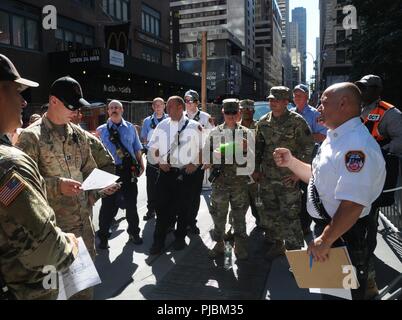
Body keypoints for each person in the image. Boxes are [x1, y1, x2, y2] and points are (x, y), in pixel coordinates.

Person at [273, 82, 386, 300]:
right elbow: (318, 180)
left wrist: (325, 240)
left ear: (343, 103)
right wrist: (292, 162)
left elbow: (352, 204)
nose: (319, 107)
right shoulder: (336, 137)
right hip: (333, 231)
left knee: (342, 296)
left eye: (323, 102)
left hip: (344, 235)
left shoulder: (356, 146)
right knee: (332, 294)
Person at [17, 76, 117, 300]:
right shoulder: (30, 138)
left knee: (83, 295)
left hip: (83, 237)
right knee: (54, 296)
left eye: (77, 106)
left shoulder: (78, 135)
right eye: (71, 106)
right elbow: (21, 191)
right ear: (53, 101)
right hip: (52, 242)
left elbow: (91, 169)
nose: (75, 112)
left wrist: (99, 188)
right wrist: (57, 187)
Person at [0, 54, 78, 300]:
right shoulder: (8, 165)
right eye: (17, 92)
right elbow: (46, 248)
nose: (23, 102)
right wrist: (70, 244)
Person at [252, 86, 314, 260]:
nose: (272, 103)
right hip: (268, 178)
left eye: (276, 100)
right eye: (271, 99)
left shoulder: (297, 121)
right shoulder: (263, 122)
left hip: (288, 178)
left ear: (286, 102)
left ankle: (296, 256)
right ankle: (278, 244)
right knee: (270, 213)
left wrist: (298, 173)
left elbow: (308, 147)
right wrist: (256, 169)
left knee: (291, 216)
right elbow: (258, 148)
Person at [355, 74, 402, 298]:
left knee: (368, 220)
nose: (361, 91)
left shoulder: (389, 113)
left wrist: (379, 152)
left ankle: (367, 269)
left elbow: (400, 141)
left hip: (375, 174)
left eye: (365, 88)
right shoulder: (356, 107)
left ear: (377, 89)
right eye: (360, 87)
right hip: (354, 172)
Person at [147, 96, 203, 255]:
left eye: (170, 107)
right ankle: (158, 241)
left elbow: (203, 149)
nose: (167, 110)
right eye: (167, 106)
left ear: (180, 107)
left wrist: (194, 165)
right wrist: (159, 161)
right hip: (166, 173)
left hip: (185, 174)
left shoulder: (194, 126)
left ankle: (180, 238)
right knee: (162, 208)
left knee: (184, 208)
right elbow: (152, 148)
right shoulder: (162, 125)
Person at [206, 99, 252, 260]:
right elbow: (205, 160)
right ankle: (219, 244)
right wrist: (214, 156)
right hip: (220, 184)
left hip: (239, 184)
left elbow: (254, 159)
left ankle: (239, 245)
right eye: (228, 113)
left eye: (234, 113)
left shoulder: (247, 133)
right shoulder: (214, 133)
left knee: (239, 217)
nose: (231, 116)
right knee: (218, 216)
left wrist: (246, 149)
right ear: (223, 113)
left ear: (239, 113)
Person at [96, 100, 145, 249]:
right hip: (109, 171)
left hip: (127, 170)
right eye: (111, 108)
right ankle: (103, 237)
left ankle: (134, 232)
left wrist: (140, 163)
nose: (114, 109)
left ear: (122, 110)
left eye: (117, 107)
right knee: (107, 206)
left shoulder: (130, 128)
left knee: (131, 204)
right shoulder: (101, 130)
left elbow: (137, 148)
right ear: (108, 111)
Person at [292, 84, 328, 235]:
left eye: (299, 95)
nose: (296, 98)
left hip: (310, 158)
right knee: (294, 192)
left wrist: (303, 137)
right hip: (294, 158)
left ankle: (305, 225)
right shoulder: (290, 113)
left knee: (307, 191)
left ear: (306, 97)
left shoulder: (314, 115)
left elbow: (323, 136)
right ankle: (296, 224)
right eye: (294, 95)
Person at [183, 89, 214, 234]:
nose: (187, 104)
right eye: (185, 101)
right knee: (181, 194)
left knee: (195, 194)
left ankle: (191, 221)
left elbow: (211, 140)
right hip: (181, 161)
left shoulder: (205, 118)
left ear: (196, 102)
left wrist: (208, 159)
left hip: (197, 160)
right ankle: (181, 221)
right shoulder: (179, 116)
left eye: (190, 101)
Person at [140, 97, 168, 221]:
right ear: (152, 106)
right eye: (155, 105)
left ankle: (164, 209)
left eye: (160, 104)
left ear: (164, 106)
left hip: (167, 156)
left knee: (166, 184)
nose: (158, 107)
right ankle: (151, 210)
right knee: (151, 185)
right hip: (151, 156)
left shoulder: (169, 120)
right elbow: (144, 139)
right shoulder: (147, 121)